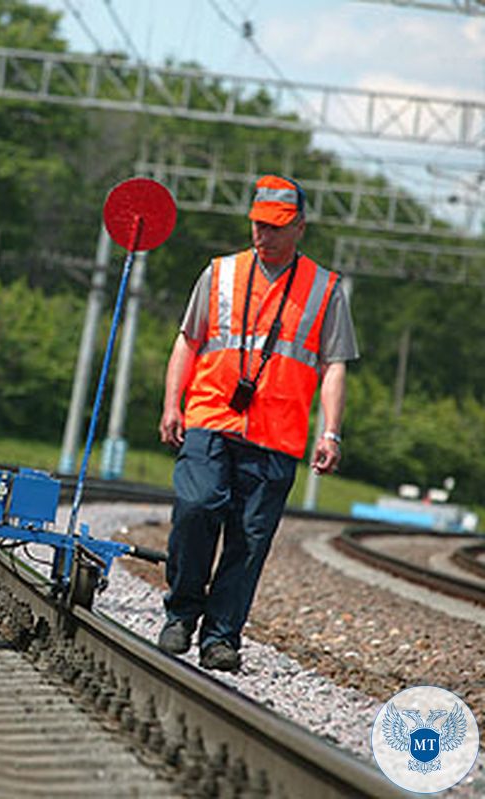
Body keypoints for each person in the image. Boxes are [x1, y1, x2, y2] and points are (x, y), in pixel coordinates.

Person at [156, 174, 359, 672]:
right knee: (196, 507)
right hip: (210, 416)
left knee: (249, 541)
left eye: (274, 227)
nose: (262, 236)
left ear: (300, 228)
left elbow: (334, 364)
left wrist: (329, 430)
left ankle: (220, 637)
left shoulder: (325, 288)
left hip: (277, 435)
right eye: (257, 225)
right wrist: (171, 404)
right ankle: (182, 613)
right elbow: (189, 339)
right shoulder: (220, 273)